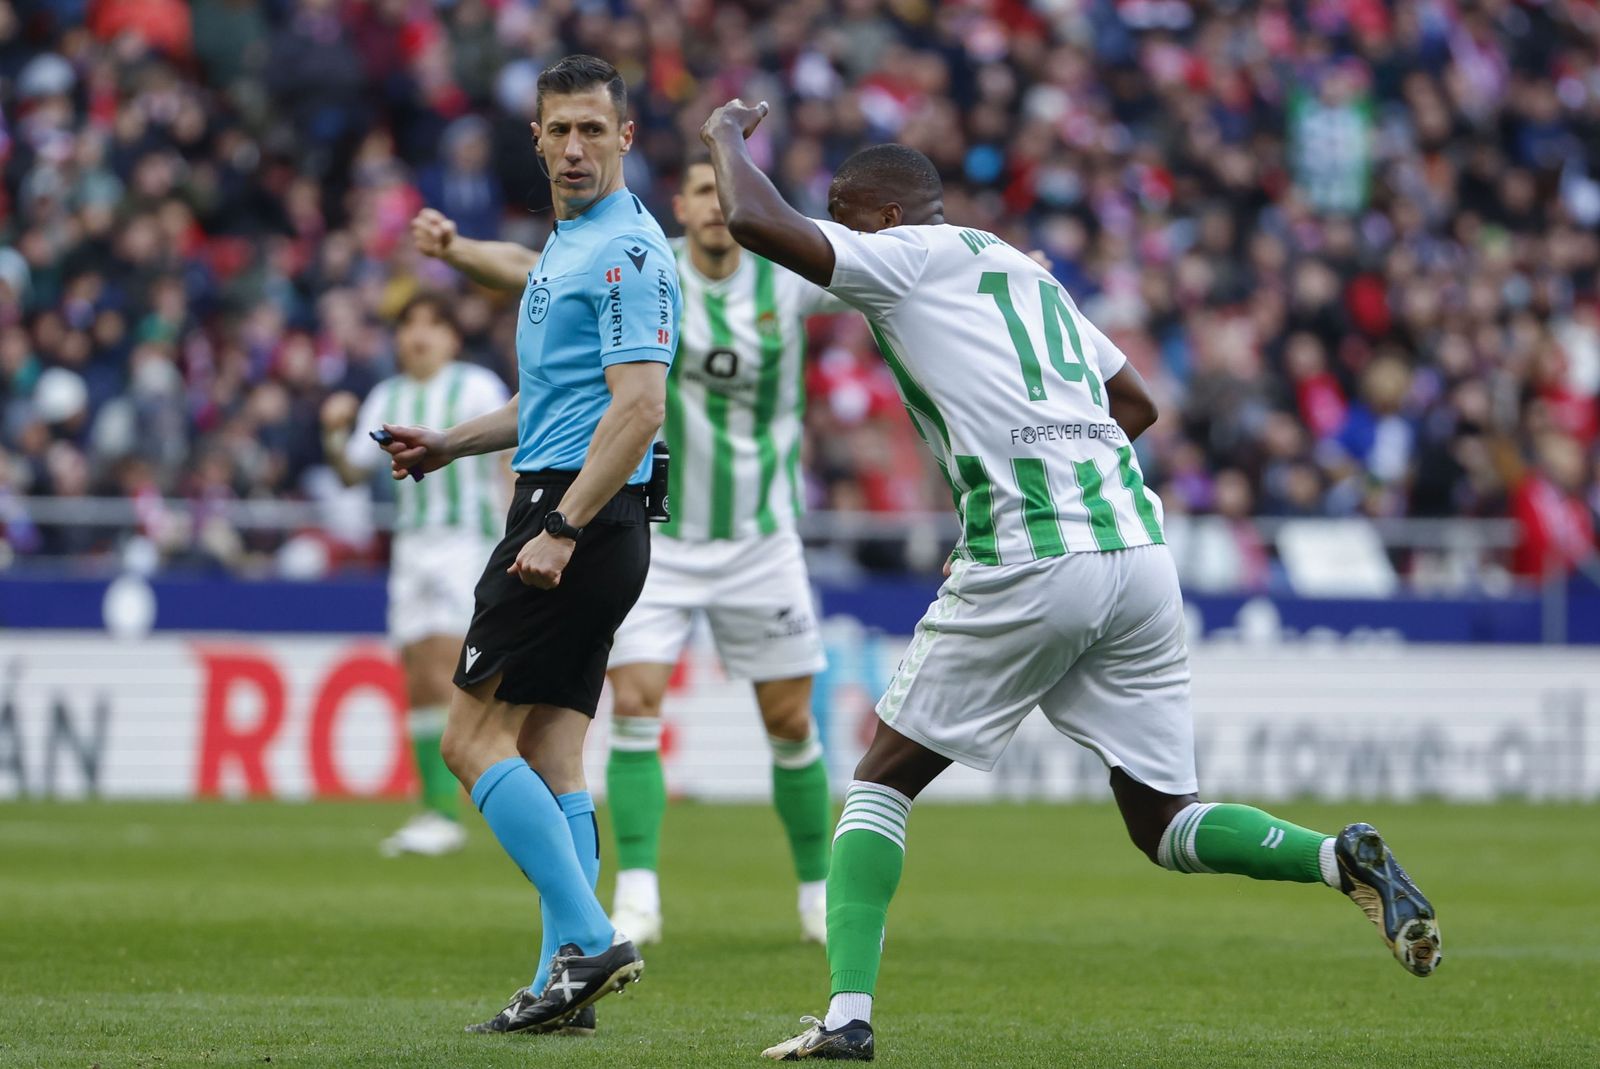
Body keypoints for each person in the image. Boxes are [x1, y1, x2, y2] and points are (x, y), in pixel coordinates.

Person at [696, 101, 1443, 1062]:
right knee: (1163, 820)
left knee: (880, 783)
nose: (836, 231)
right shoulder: (1027, 273)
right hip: (1136, 553)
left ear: (877, 216)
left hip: (1032, 552)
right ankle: (1337, 857)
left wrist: (722, 138)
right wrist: (1063, 456)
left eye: (843, 215)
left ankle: (845, 1020)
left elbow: (761, 225)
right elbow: (1137, 400)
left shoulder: (910, 255)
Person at [413, 158, 847, 948]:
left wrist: (994, 268)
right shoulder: (652, 263)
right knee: (634, 702)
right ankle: (636, 893)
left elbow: (881, 274)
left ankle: (816, 888)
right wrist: (458, 250)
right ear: (679, 207)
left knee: (789, 720)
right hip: (661, 530)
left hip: (761, 532)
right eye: (704, 195)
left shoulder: (783, 278)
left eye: (728, 194)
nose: (718, 208)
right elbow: (527, 268)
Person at [376, 54, 681, 1037]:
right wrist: (446, 446)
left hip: (576, 518)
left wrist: (558, 527)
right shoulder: (569, 244)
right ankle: (564, 982)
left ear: (625, 137)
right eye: (561, 130)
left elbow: (638, 410)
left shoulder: (629, 252)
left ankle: (586, 939)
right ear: (538, 137)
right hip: (587, 514)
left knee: (469, 742)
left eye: (596, 128)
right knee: (553, 752)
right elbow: (551, 404)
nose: (577, 146)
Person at [320, 294, 510, 858]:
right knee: (418, 673)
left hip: (467, 541)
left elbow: (506, 459)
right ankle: (437, 810)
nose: (419, 335)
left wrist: (513, 531)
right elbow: (353, 473)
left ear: (453, 337)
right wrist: (333, 433)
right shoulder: (386, 394)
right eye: (409, 325)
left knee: (454, 666)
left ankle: (483, 795)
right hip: (411, 547)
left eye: (433, 323)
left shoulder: (476, 387)